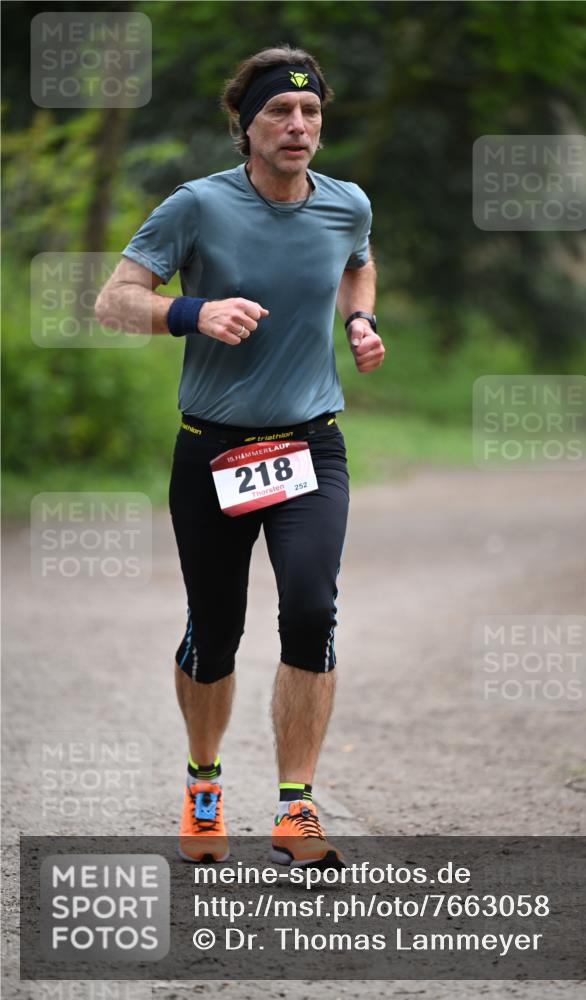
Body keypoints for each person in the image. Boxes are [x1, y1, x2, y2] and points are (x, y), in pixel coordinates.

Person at [95, 45, 385, 867]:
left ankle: (296, 807)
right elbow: (113, 300)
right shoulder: (194, 206)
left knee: (312, 607)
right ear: (244, 125)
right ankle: (203, 784)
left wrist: (358, 321)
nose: (298, 127)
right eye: (278, 114)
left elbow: (357, 267)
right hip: (212, 451)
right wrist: (191, 312)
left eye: (311, 114)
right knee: (216, 631)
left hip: (308, 446)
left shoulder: (346, 205)